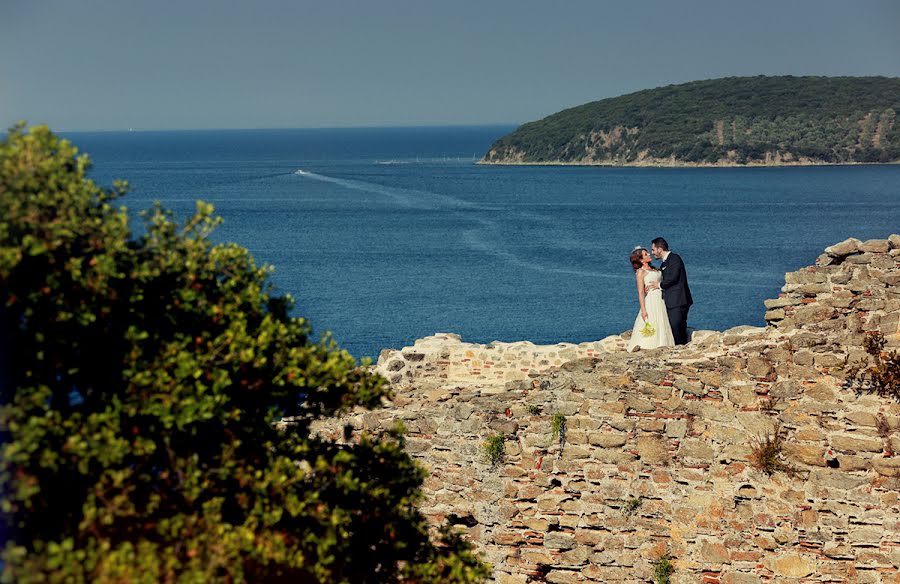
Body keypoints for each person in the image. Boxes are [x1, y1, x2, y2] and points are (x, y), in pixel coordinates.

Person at [626, 247, 675, 352]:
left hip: (661, 298)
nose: (649, 254)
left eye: (647, 252)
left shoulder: (655, 269)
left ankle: (663, 344)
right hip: (651, 300)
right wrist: (643, 310)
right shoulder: (640, 272)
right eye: (645, 254)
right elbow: (640, 292)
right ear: (641, 260)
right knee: (652, 320)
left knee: (662, 320)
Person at [650, 237, 693, 345]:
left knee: (677, 327)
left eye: (653, 250)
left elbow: (673, 277)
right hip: (672, 302)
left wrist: (659, 285)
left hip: (678, 300)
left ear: (660, 249)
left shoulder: (674, 259)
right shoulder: (664, 263)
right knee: (674, 329)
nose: (652, 253)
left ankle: (681, 350)